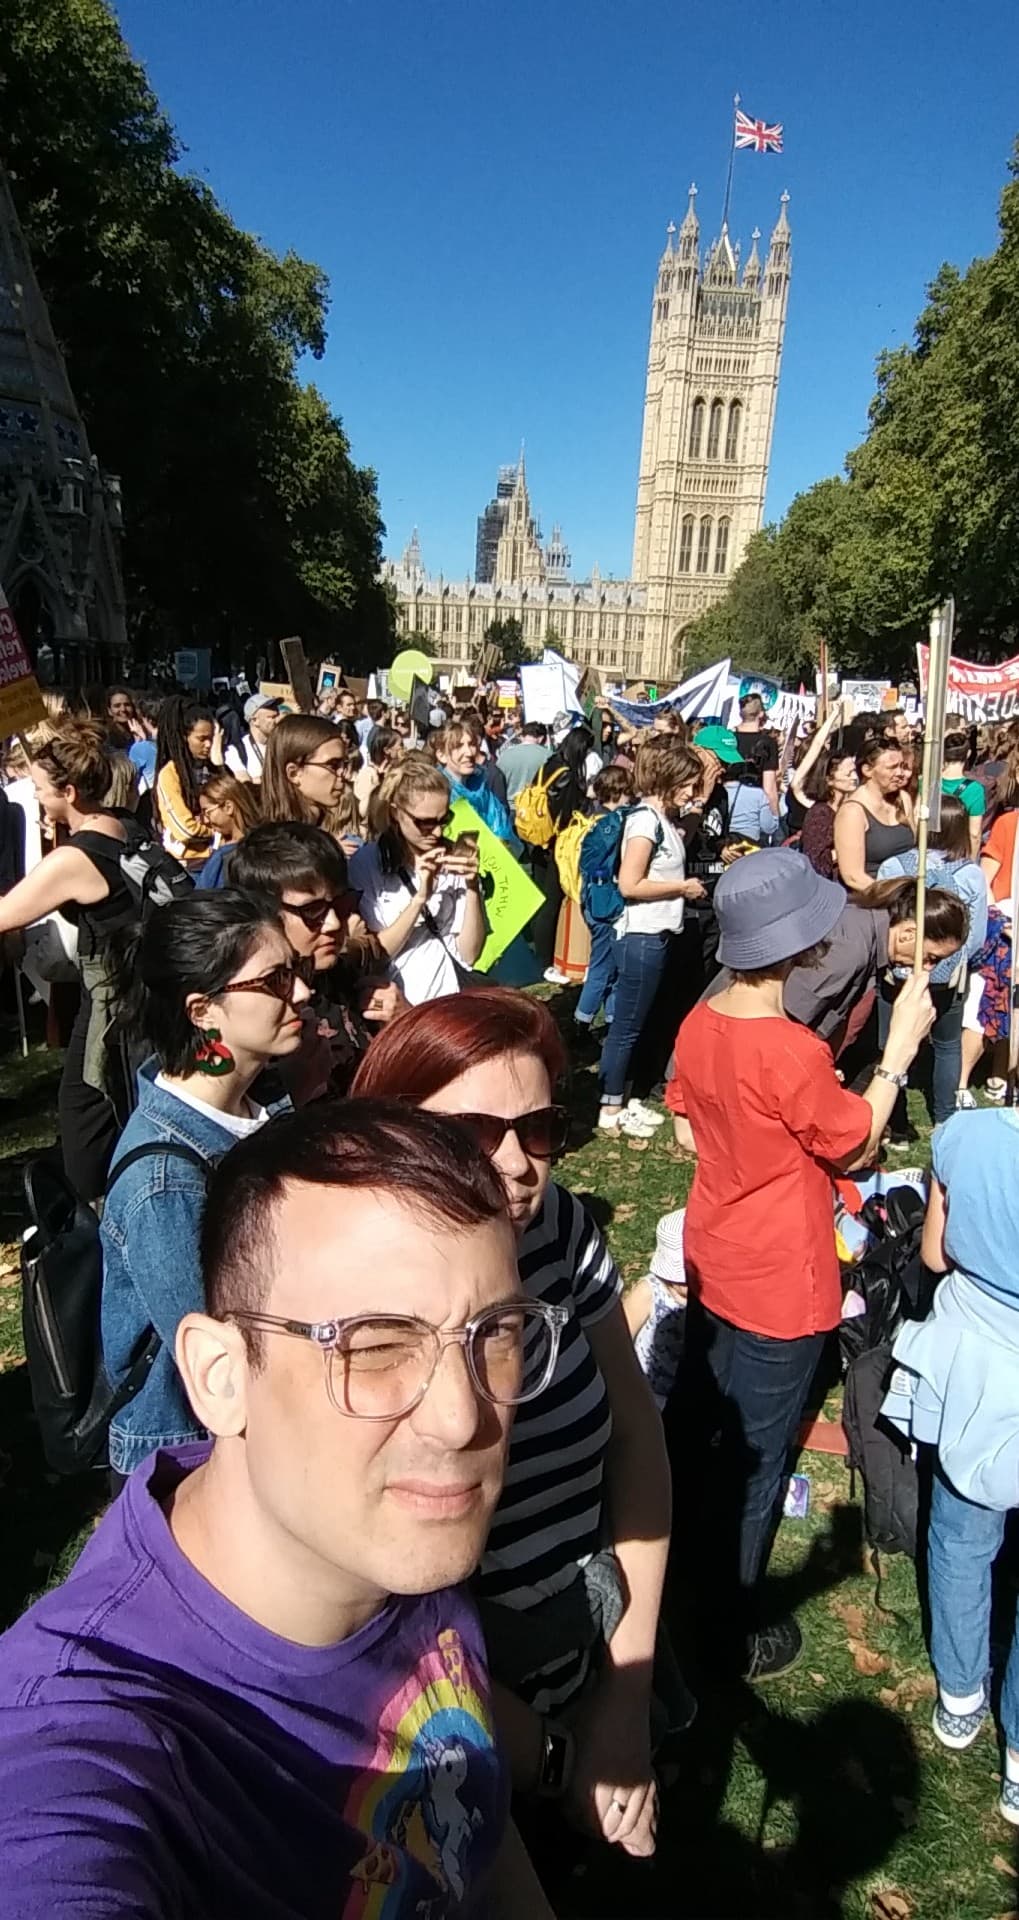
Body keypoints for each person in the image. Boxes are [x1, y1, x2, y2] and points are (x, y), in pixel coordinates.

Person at [0, 1100, 560, 1917]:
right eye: (374, 1344)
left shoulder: (369, 1520)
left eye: (495, 1331)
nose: (461, 1417)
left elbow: (464, 1814)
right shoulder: (91, 1724)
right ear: (222, 1376)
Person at [353, 990, 671, 1860]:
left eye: (537, 1128)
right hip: (444, 1699)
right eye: (471, 1134)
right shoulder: (358, 1295)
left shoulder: (559, 1229)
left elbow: (638, 1439)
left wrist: (625, 1698)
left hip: (588, 1627)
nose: (520, 1163)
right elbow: (374, 1604)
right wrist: (565, 1759)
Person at [665, 849, 934, 1679]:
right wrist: (896, 1056)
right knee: (757, 1457)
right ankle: (726, 1625)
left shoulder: (699, 1022)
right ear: (799, 945)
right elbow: (853, 1144)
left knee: (699, 1430)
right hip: (783, 1274)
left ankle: (669, 1576)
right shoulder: (790, 1053)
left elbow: (683, 1128)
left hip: (716, 1246)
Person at [100, 891, 311, 1477]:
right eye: (273, 981)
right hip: (191, 1456)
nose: (301, 993)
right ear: (202, 1011)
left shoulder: (258, 1109)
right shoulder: (164, 1184)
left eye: (294, 972)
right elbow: (224, 1365)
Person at [881, 1108, 1019, 1827]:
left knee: (962, 1538)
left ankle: (959, 1699)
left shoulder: (965, 1134)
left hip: (973, 1369)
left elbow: (933, 1256)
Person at [0, 724, 136, 1200]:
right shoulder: (123, 824)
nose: (34, 797)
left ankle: (94, 1222)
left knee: (84, 1117)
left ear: (69, 791)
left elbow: (4, 915)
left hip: (111, 1005)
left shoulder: (76, 859)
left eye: (39, 788)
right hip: (137, 992)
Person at [231, 820, 400, 1098]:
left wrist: (403, 1021)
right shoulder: (252, 1018)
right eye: (312, 911)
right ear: (263, 913)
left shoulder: (347, 972)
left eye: (342, 904)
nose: (334, 923)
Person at [597, 738, 705, 1137]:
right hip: (641, 934)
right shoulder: (645, 822)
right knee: (626, 1023)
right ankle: (609, 1108)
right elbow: (630, 884)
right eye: (689, 784)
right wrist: (682, 888)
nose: (693, 792)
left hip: (656, 933)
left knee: (638, 1020)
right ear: (669, 780)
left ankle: (624, 1095)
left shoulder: (661, 819)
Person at [878, 794, 987, 1122]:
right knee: (948, 1044)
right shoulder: (971, 874)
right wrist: (954, 960)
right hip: (948, 975)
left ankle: (895, 1121)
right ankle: (945, 1117)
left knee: (890, 1042)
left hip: (897, 972)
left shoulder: (893, 867)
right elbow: (976, 935)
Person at [350, 753, 486, 1004]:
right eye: (424, 822)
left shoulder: (451, 858)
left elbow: (470, 954)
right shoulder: (366, 864)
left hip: (449, 999)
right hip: (397, 1004)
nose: (437, 831)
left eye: (445, 819)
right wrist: (421, 897)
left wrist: (472, 887)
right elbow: (378, 955)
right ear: (395, 813)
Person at [573, 765, 634, 1040]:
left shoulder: (590, 818)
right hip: (606, 905)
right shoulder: (611, 824)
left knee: (611, 967)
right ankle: (581, 1022)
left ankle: (611, 1019)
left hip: (591, 900)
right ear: (620, 792)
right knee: (601, 967)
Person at [833, 737, 914, 890]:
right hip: (872, 900)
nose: (900, 773)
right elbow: (853, 877)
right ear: (867, 770)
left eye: (902, 766)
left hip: (907, 894)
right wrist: (894, 896)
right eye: (892, 767)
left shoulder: (903, 799)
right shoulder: (852, 812)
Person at [787, 708, 859, 879]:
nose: (855, 778)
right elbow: (816, 863)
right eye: (848, 774)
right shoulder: (815, 808)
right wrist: (833, 715)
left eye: (855, 772)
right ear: (829, 778)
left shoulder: (856, 806)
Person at [260, 714, 350, 835]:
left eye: (344, 764)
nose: (344, 774)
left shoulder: (313, 834)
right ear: (294, 773)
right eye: (333, 765)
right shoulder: (279, 848)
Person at [155, 695, 217, 870]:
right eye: (202, 739)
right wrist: (216, 832)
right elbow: (185, 829)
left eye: (212, 738)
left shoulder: (216, 769)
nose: (208, 744)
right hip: (191, 865)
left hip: (219, 857)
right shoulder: (170, 774)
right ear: (185, 737)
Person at [434, 720, 514, 840]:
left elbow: (501, 829)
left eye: (472, 744)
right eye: (458, 746)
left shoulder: (481, 786)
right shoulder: (437, 791)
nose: (469, 753)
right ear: (442, 755)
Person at [196, 771, 263, 888]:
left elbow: (199, 898)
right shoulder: (267, 842)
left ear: (228, 807)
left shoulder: (224, 857)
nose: (206, 821)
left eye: (207, 812)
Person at [733, 691, 780, 815]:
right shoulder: (768, 743)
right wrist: (775, 816)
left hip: (727, 802)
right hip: (753, 807)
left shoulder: (728, 739)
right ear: (761, 714)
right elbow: (769, 788)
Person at [941, 729, 985, 858]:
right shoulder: (975, 789)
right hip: (958, 853)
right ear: (968, 754)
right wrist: (971, 860)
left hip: (929, 849)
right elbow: (975, 833)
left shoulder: (926, 782)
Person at [352, 723, 403, 831]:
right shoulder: (368, 774)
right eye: (400, 745)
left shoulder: (395, 771)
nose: (403, 749)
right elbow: (363, 810)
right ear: (387, 750)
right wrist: (380, 785)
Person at [225, 693, 283, 782]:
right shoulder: (236, 750)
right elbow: (244, 783)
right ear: (255, 720)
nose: (278, 720)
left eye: (278, 715)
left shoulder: (282, 744)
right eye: (272, 717)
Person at [498, 721, 550, 804]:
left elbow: (498, 783)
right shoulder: (548, 756)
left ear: (522, 737)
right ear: (541, 738)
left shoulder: (505, 755)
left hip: (511, 806)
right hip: (537, 808)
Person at [127, 695, 161, 793]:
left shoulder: (141, 748)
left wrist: (139, 743)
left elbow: (131, 777)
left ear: (147, 720)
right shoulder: (175, 743)